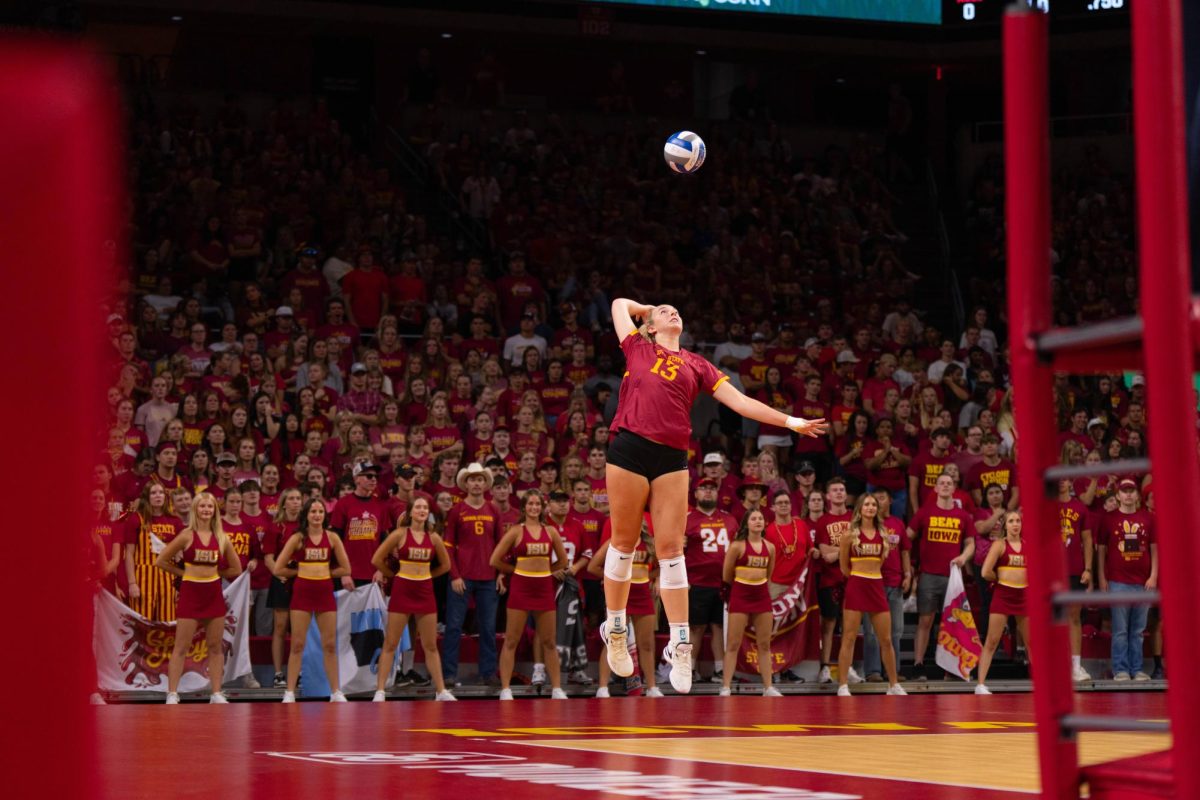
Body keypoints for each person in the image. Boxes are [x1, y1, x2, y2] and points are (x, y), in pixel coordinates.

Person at [601, 299, 826, 694]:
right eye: (664, 312)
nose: (673, 312)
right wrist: (646, 308)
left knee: (671, 550)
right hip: (630, 447)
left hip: (671, 455)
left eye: (676, 310)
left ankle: (680, 642)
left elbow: (741, 402)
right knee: (624, 541)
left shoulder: (697, 364)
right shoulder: (637, 347)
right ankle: (616, 627)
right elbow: (619, 304)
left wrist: (792, 421)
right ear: (650, 326)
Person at [154, 492, 243, 704]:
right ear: (195, 509)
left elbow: (236, 568)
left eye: (210, 507)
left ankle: (216, 693)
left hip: (212, 594)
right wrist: (183, 574)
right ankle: (172, 693)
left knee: (215, 646)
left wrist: (215, 574)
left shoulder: (221, 537)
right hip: (190, 593)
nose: (206, 510)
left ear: (214, 511)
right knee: (181, 647)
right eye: (202, 506)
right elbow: (161, 560)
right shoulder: (186, 535)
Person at [370, 496, 456, 702]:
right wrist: (392, 575)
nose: (421, 510)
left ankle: (441, 690)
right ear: (410, 512)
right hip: (402, 589)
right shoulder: (399, 534)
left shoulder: (434, 537)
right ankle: (380, 691)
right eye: (417, 507)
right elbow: (376, 559)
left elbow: (446, 566)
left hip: (424, 591)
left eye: (425, 507)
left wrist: (427, 576)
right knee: (391, 642)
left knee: (430, 645)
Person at [490, 490, 570, 700]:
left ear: (542, 507)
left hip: (544, 587)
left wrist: (547, 571)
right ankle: (506, 688)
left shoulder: (550, 531)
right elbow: (495, 560)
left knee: (549, 641)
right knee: (511, 640)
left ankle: (556, 688)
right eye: (530, 504)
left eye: (537, 504)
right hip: (521, 586)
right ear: (524, 507)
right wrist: (515, 571)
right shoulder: (516, 531)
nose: (534, 507)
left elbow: (562, 561)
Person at [272, 498, 353, 702]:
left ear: (325, 516)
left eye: (320, 512)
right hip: (302, 592)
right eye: (313, 512)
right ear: (306, 515)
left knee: (329, 645)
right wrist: (300, 569)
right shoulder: (298, 538)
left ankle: (336, 691)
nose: (317, 515)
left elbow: (346, 569)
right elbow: (278, 568)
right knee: (297, 643)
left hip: (324, 592)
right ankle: (289, 692)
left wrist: (324, 570)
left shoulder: (332, 538)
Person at [907, 473, 976, 680]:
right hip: (928, 575)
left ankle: (952, 668)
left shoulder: (963, 516)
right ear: (935, 489)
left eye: (949, 483)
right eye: (942, 484)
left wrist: (963, 557)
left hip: (953, 578)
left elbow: (971, 543)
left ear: (954, 489)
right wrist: (908, 565)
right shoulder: (924, 512)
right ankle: (918, 664)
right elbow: (907, 538)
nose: (946, 486)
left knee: (953, 623)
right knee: (925, 621)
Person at [836, 494, 906, 696]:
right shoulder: (849, 535)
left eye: (873, 504)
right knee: (848, 637)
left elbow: (881, 562)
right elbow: (843, 566)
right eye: (866, 504)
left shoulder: (883, 534)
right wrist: (859, 577)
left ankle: (893, 685)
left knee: (886, 639)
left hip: (876, 586)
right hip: (856, 585)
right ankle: (842, 685)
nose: (870, 507)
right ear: (859, 508)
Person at [442, 462, 504, 687]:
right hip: (462, 578)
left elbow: (501, 545)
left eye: (480, 479)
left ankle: (488, 673)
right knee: (454, 627)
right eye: (472, 479)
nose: (476, 483)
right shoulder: (457, 511)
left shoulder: (493, 509)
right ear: (465, 483)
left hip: (488, 577)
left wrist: (500, 574)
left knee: (488, 628)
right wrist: (455, 576)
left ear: (485, 483)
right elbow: (447, 546)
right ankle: (448, 674)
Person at [590, 517, 661, 698]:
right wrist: (611, 580)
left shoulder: (650, 544)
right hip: (620, 596)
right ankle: (603, 687)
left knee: (646, 644)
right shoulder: (614, 542)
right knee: (614, 642)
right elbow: (593, 567)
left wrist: (653, 578)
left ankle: (652, 687)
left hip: (643, 595)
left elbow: (663, 566)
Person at [1096, 478, 1158, 681]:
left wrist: (1154, 575)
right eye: (1125, 491)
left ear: (1138, 495)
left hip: (1143, 582)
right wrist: (1102, 578)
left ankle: (1137, 669)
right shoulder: (1108, 519)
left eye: (1132, 491)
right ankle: (1121, 669)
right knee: (1120, 629)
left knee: (1138, 630)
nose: (1129, 494)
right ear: (1118, 495)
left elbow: (1154, 549)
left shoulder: (1148, 518)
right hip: (1117, 581)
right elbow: (1101, 551)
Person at [720, 509, 780, 697]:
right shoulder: (737, 546)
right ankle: (726, 686)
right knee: (733, 643)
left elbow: (769, 574)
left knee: (764, 644)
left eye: (760, 518)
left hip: (761, 595)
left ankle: (768, 687)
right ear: (746, 523)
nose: (757, 521)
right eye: (753, 518)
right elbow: (726, 575)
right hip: (740, 594)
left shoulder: (770, 547)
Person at [683, 478, 737, 683]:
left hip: (723, 583)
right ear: (695, 494)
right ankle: (688, 669)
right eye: (703, 488)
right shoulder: (686, 519)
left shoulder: (729, 519)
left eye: (712, 488)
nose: (708, 492)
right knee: (695, 627)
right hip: (697, 582)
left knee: (719, 627)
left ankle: (720, 670)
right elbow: (677, 551)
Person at [976, 509, 1031, 695]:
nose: (1016, 524)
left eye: (1018, 521)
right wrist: (998, 578)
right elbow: (985, 572)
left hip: (1023, 596)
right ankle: (980, 684)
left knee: (1032, 643)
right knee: (992, 641)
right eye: (1011, 521)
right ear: (1005, 525)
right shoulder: (999, 545)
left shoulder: (1028, 545)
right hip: (1003, 594)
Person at [862, 487, 911, 683]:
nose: (878, 503)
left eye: (881, 498)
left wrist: (907, 574)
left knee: (896, 630)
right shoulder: (869, 525)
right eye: (874, 500)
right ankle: (873, 671)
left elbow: (905, 551)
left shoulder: (898, 524)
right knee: (871, 630)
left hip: (895, 582)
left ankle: (893, 671)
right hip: (873, 583)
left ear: (890, 500)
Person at [814, 477, 857, 684]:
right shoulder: (823, 521)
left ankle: (847, 667)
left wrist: (837, 552)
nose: (839, 493)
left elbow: (858, 549)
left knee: (850, 625)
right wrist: (845, 550)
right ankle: (824, 667)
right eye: (835, 490)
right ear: (828, 496)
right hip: (829, 580)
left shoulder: (855, 518)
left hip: (852, 580)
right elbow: (824, 552)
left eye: (842, 489)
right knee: (828, 624)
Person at [123, 482, 185, 622]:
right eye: (153, 493)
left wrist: (180, 586)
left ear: (165, 496)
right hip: (143, 577)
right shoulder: (135, 519)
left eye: (161, 492)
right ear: (146, 496)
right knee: (141, 624)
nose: (158, 496)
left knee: (168, 623)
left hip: (169, 578)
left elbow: (180, 556)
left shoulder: (175, 521)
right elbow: (129, 554)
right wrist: (132, 583)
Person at [1056, 478, 1094, 681]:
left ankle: (1076, 667)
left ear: (1070, 482)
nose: (1061, 483)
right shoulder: (1046, 506)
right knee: (1051, 619)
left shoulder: (1079, 507)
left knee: (1074, 618)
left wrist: (1088, 569)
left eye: (1065, 479)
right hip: (1051, 572)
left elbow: (1088, 540)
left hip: (1074, 569)